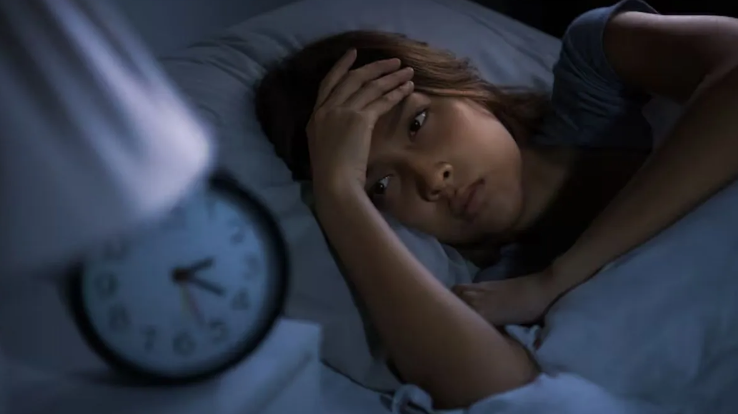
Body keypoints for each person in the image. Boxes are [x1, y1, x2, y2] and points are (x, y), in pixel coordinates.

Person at [255, 0, 738, 409]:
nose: (432, 179)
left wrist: (558, 279)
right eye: (381, 184)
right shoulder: (495, 298)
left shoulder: (597, 68)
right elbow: (512, 399)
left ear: (462, 87)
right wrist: (339, 193)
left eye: (418, 123)